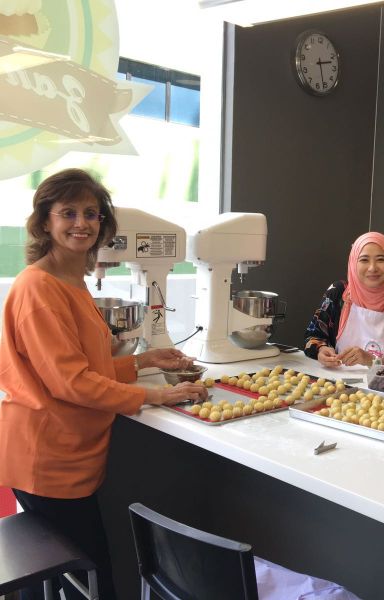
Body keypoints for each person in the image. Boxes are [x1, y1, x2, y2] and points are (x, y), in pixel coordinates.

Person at [0, 169, 208, 600]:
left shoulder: (72, 281)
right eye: (68, 213)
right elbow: (72, 383)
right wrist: (158, 394)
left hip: (70, 458)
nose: (82, 223)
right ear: (45, 222)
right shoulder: (39, 289)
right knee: (91, 583)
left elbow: (86, 366)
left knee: (78, 579)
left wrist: (144, 361)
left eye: (91, 213)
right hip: (48, 460)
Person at [304, 231, 384, 375]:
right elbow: (313, 336)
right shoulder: (338, 295)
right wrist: (321, 350)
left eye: (381, 259)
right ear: (353, 263)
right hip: (336, 385)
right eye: (364, 260)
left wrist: (373, 361)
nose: (372, 268)